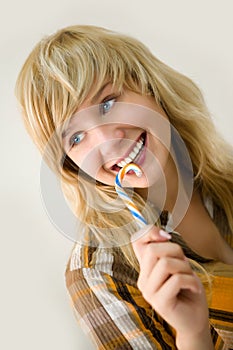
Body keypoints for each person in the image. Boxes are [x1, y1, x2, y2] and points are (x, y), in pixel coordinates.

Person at [15, 25, 233, 349]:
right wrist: (192, 334)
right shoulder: (97, 274)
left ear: (148, 85)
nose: (106, 142)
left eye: (107, 102)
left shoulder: (222, 176)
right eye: (76, 138)